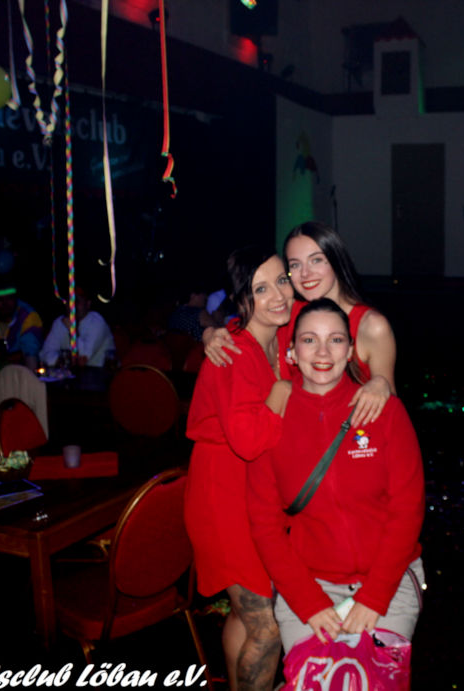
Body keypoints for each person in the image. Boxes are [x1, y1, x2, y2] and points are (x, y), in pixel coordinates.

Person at [247, 298, 425, 655]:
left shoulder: (386, 412)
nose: (323, 352)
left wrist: (374, 598)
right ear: (292, 352)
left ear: (351, 350)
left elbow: (408, 510)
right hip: (309, 584)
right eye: (309, 340)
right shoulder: (273, 419)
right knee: (313, 676)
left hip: (387, 580)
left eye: (336, 339)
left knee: (375, 677)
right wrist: (308, 602)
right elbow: (264, 525)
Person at [184, 247, 294, 691]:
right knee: (267, 628)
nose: (277, 296)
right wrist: (280, 393)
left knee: (245, 616)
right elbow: (249, 442)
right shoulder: (234, 353)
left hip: (256, 498)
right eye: (260, 289)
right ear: (242, 298)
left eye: (281, 281)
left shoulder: (282, 336)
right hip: (224, 502)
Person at [203, 221, 397, 427]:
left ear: (336, 260)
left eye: (316, 260)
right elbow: (250, 323)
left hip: (356, 436)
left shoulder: (371, 326)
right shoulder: (290, 313)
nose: (305, 274)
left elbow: (391, 405)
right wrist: (211, 333)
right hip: (303, 434)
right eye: (295, 265)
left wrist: (382, 384)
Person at [38, 288, 116, 368]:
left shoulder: (97, 322)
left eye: (77, 301)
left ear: (88, 304)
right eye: (69, 301)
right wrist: (61, 360)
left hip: (99, 372)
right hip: (69, 372)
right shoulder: (60, 323)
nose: (72, 306)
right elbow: (44, 353)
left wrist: (72, 331)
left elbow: (83, 357)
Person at [0, 286, 44, 370]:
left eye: (9, 298)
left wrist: (31, 376)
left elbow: (30, 352)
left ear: (16, 299)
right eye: (0, 299)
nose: (5, 303)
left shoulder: (27, 316)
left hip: (22, 368)